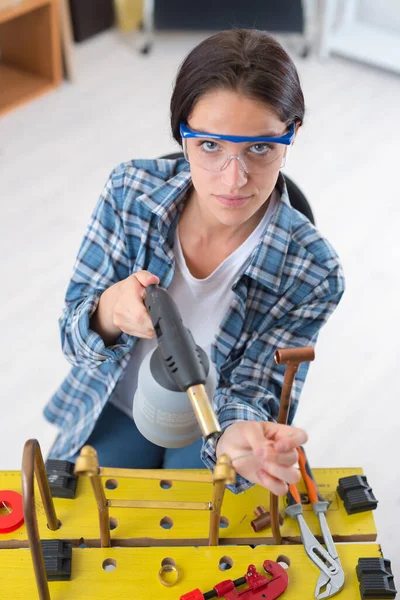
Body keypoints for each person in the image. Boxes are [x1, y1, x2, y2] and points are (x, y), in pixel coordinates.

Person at [44, 29, 345, 495]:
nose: (234, 179)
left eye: (260, 148)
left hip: (213, 425)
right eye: (210, 146)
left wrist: (238, 435)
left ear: (293, 134)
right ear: (182, 133)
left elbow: (253, 389)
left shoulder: (314, 272)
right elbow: (70, 337)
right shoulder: (129, 194)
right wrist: (107, 311)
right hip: (115, 405)